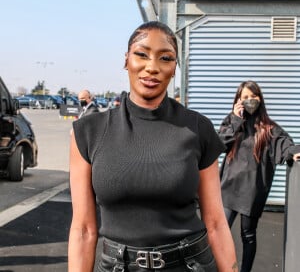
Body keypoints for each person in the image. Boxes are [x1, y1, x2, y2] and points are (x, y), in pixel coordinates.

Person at [68, 21, 238, 272]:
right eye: (141, 54)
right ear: (126, 60)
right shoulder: (88, 132)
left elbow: (215, 223)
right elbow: (83, 230)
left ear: (174, 68)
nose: (152, 67)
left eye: (165, 58)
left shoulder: (198, 128)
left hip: (189, 265)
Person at [218, 80, 300, 272]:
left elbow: (285, 143)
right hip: (229, 188)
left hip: (252, 192)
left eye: (253, 97)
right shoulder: (232, 122)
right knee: (221, 233)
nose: (250, 101)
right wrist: (235, 119)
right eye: (245, 97)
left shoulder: (270, 128)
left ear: (260, 99)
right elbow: (220, 143)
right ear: (238, 100)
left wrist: (294, 152)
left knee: (248, 235)